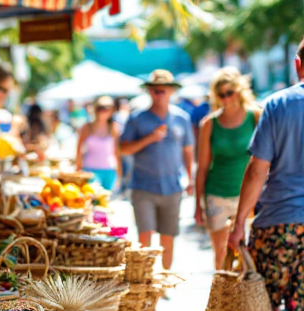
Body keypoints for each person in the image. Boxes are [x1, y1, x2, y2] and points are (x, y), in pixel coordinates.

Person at [228, 38, 304, 311]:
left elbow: (258, 169)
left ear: (297, 64)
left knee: (266, 304)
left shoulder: (279, 104)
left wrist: (239, 221)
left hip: (278, 222)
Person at [118, 69, 194, 270]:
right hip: (143, 187)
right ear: (149, 92)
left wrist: (191, 179)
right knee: (145, 237)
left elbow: (188, 151)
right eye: (155, 91)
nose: (159, 94)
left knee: (168, 238)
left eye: (163, 91)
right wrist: (149, 138)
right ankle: (145, 281)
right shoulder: (137, 119)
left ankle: (164, 281)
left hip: (172, 187)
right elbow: (123, 149)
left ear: (171, 92)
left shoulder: (182, 118)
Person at [194, 67, 260, 270]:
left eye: (229, 92)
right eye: (220, 94)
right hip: (217, 193)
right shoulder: (209, 124)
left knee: (246, 255)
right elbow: (203, 167)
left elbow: (266, 159)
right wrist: (197, 204)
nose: (225, 98)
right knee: (221, 254)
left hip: (248, 194)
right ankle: (223, 300)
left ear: (239, 91)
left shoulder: (256, 116)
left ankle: (243, 301)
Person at [75, 96, 122, 191]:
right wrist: (78, 169)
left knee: (105, 200)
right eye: (101, 108)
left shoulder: (114, 127)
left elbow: (116, 151)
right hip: (90, 169)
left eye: (107, 108)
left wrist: (119, 173)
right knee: (91, 198)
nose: (103, 111)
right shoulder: (87, 127)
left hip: (109, 170)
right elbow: (79, 149)